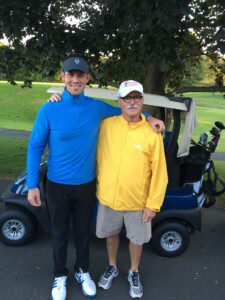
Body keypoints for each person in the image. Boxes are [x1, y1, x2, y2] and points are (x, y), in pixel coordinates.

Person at [26, 56, 165, 300]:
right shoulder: (49, 108)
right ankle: (59, 275)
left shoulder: (97, 107)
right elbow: (35, 146)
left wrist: (151, 118)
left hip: (86, 184)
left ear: (87, 78)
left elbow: (128, 112)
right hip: (57, 184)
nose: (75, 80)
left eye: (80, 75)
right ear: (63, 77)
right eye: (71, 75)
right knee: (59, 233)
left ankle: (82, 271)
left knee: (82, 232)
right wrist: (31, 185)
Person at [96, 80, 168, 299]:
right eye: (127, 98)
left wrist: (153, 205)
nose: (132, 102)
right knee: (110, 235)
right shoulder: (107, 125)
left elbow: (160, 173)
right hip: (108, 197)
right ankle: (112, 265)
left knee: (136, 240)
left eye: (137, 97)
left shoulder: (151, 132)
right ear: (119, 101)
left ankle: (133, 271)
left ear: (142, 101)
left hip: (138, 202)